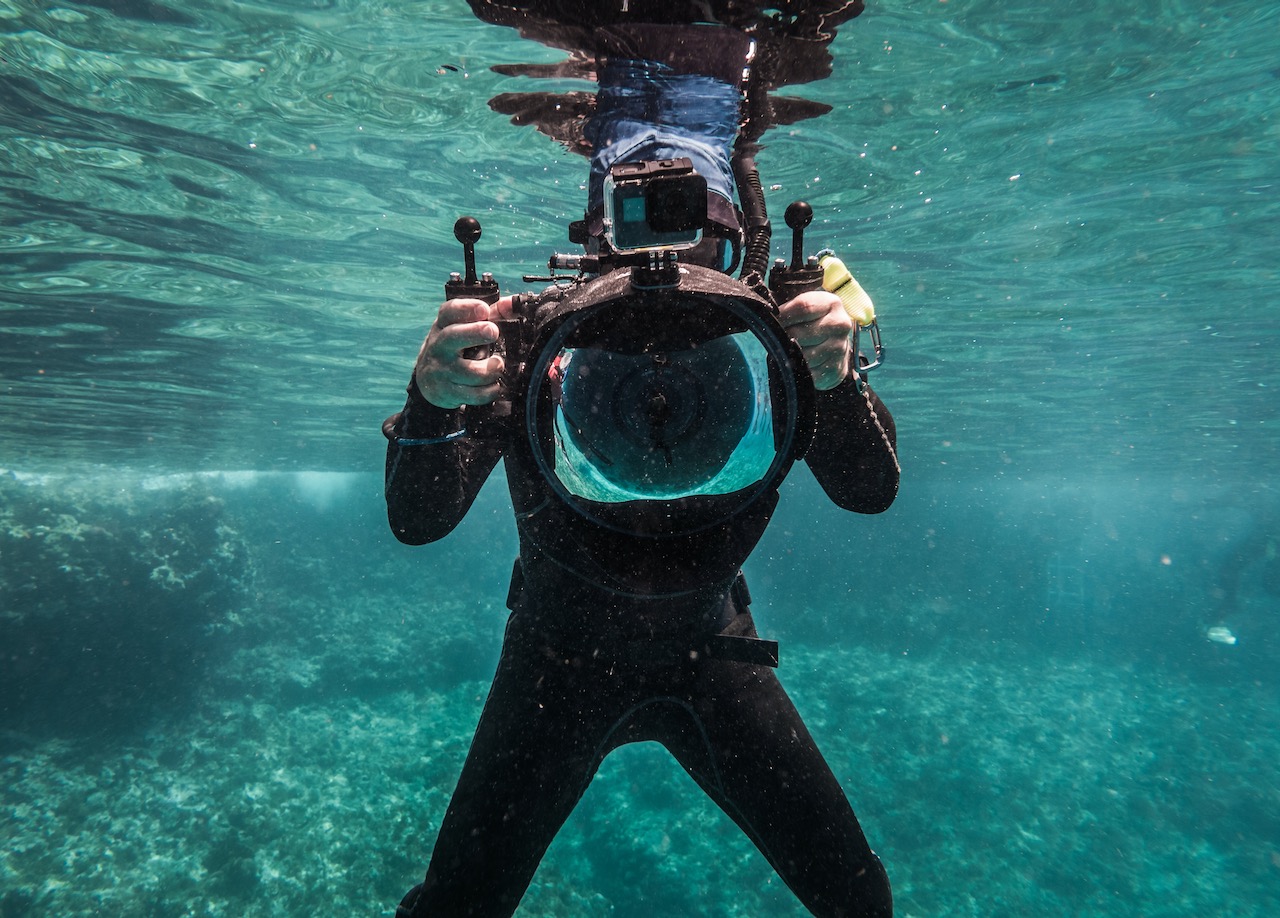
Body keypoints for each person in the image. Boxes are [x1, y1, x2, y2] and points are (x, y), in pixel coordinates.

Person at [384, 6, 898, 916]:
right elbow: (418, 521)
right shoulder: (537, 339)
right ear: (593, 238)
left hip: (674, 658)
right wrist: (432, 396)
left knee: (860, 903)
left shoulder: (781, 342)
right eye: (644, 226)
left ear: (744, 243)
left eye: (705, 236)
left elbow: (870, 490)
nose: (674, 264)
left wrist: (837, 376)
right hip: (575, 661)